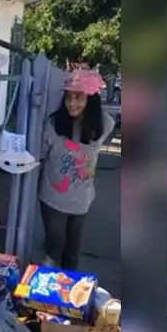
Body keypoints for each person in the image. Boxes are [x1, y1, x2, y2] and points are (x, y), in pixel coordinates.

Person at [38, 67, 116, 271]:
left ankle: (69, 299)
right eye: (68, 97)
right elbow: (42, 153)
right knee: (54, 249)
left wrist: (90, 81)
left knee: (72, 252)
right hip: (52, 197)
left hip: (82, 200)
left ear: (90, 99)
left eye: (79, 97)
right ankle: (45, 297)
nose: (72, 103)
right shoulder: (55, 123)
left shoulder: (104, 124)